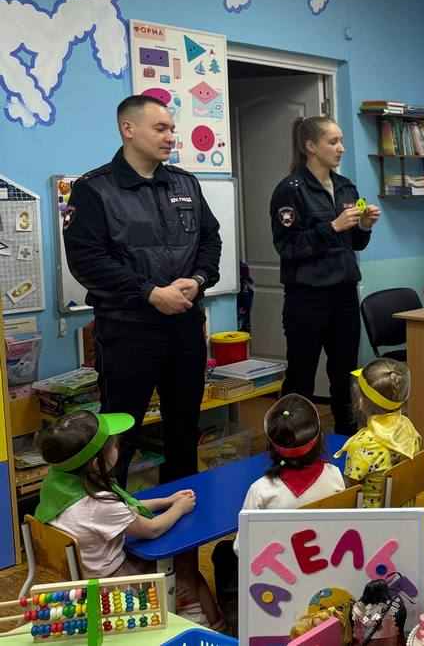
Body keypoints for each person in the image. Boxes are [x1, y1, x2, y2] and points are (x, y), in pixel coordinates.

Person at [64, 94, 221, 486]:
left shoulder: (185, 183)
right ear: (128, 129)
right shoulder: (94, 189)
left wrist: (199, 280)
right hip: (128, 330)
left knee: (184, 427)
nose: (170, 137)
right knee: (122, 432)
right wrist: (149, 292)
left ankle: (183, 507)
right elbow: (87, 261)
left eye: (171, 129)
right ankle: (112, 515)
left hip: (185, 326)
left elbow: (210, 240)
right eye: (160, 128)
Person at [35, 411, 222, 627]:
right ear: (96, 464)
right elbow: (152, 529)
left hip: (84, 575)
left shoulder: (60, 487)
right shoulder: (100, 504)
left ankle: (211, 620)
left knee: (182, 563)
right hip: (113, 585)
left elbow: (124, 509)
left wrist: (166, 501)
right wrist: (179, 508)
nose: (118, 447)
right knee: (183, 561)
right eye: (113, 446)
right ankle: (198, 619)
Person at [271, 116, 381, 435]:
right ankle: (291, 439)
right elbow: (287, 247)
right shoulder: (290, 190)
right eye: (333, 142)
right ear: (310, 146)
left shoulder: (345, 186)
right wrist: (332, 226)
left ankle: (346, 436)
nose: (341, 148)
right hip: (307, 296)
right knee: (301, 374)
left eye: (341, 140)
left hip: (343, 293)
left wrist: (363, 226)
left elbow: (354, 243)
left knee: (345, 372)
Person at [212, 395, 345, 604]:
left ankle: (233, 615)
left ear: (271, 445)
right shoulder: (334, 476)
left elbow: (241, 549)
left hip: (277, 579)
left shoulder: (261, 490)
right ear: (319, 437)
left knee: (222, 552)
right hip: (323, 566)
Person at [335, 358, 421, 507]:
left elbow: (349, 492)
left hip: (371, 518)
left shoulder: (361, 445)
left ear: (360, 402)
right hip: (404, 512)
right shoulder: (408, 427)